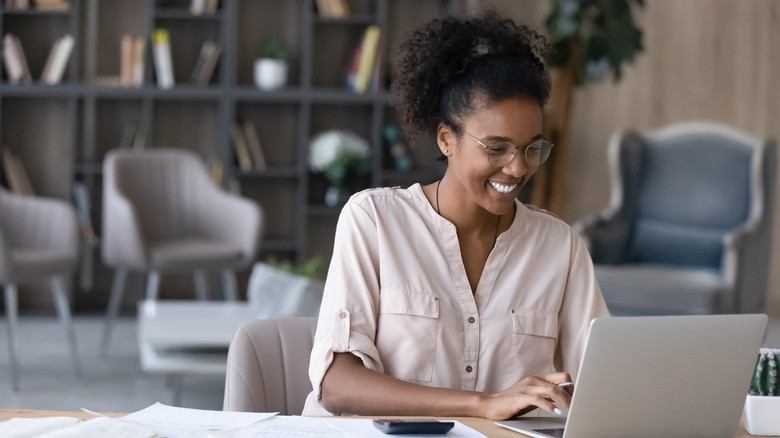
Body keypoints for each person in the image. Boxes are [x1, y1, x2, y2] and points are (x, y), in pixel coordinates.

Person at [302, 10, 608, 421]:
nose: (517, 168)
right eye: (496, 148)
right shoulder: (373, 220)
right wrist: (484, 405)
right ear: (447, 139)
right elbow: (336, 386)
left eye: (531, 148)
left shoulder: (559, 247)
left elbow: (601, 381)